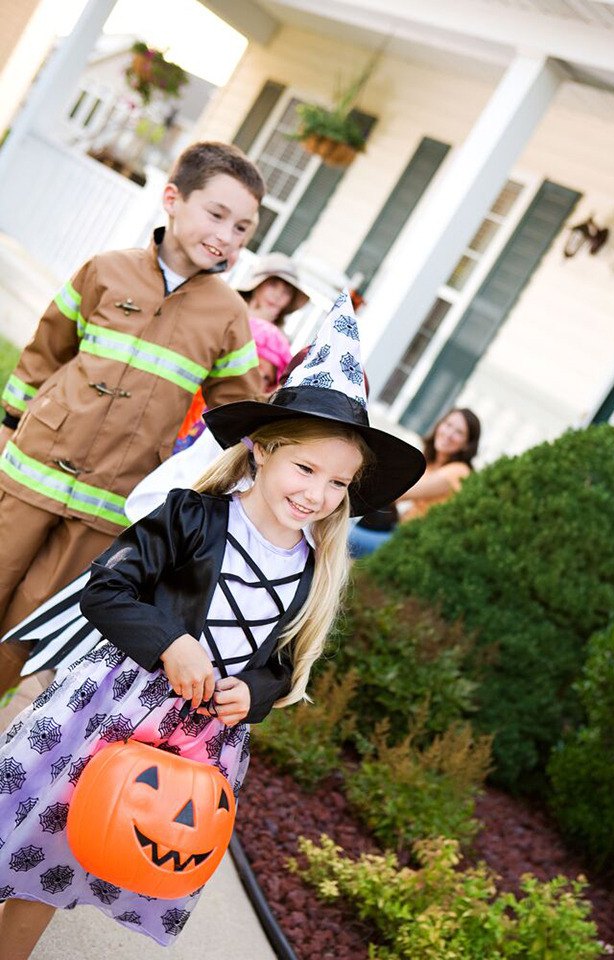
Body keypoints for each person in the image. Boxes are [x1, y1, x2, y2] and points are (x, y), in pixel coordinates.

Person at [0, 291, 424, 957]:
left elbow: (281, 665)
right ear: (261, 449)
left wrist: (251, 694)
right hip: (111, 712)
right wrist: (170, 643)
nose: (318, 494)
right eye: (306, 467)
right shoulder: (193, 517)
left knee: (62, 870)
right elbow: (108, 591)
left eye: (339, 484)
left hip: (194, 747)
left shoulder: (315, 568)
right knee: (32, 845)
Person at [0, 141, 265, 695]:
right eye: (216, 214)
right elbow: (47, 350)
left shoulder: (229, 315)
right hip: (28, 473)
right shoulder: (105, 270)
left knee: (25, 632)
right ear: (173, 199)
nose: (227, 235)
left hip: (109, 501)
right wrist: (8, 422)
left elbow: (239, 416)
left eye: (243, 228)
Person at [173, 252, 307, 453]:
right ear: (258, 284)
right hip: (195, 394)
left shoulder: (281, 342)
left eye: (286, 291)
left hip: (235, 412)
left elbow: (270, 389)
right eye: (273, 285)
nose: (278, 295)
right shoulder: (228, 311)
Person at [348, 407, 481, 558]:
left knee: (341, 536)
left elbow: (400, 493)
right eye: (448, 425)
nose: (449, 434)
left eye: (459, 432)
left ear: (467, 444)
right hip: (398, 528)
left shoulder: (459, 471)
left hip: (410, 542)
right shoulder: (430, 463)